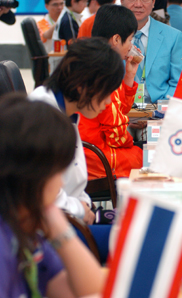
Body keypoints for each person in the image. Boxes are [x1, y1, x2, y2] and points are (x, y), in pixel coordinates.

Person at [0, 93, 104, 297]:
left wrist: (58, 226)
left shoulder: (28, 229)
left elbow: (89, 289)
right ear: (32, 174)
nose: (62, 182)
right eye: (57, 171)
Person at [28, 38, 124, 225]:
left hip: (74, 217)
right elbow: (41, 196)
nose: (109, 101)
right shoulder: (43, 116)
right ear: (82, 86)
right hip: (55, 229)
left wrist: (83, 206)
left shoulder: (67, 112)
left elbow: (73, 185)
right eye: (106, 92)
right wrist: (81, 209)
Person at [78, 4, 143, 180]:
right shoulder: (104, 70)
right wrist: (134, 143)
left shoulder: (92, 59)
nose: (131, 46)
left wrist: (129, 77)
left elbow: (118, 110)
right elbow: (116, 136)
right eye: (130, 40)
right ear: (116, 39)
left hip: (80, 150)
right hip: (93, 155)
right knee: (145, 157)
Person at [121, 0, 182, 104]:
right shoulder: (109, 35)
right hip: (117, 109)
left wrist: (162, 108)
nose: (138, 4)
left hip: (158, 110)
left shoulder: (173, 36)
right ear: (122, 1)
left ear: (153, 2)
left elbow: (178, 82)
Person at [37, 0, 65, 72]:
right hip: (51, 66)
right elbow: (47, 35)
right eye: (55, 5)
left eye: (62, 4)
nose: (59, 7)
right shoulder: (41, 23)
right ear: (46, 6)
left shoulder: (68, 21)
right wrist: (61, 19)